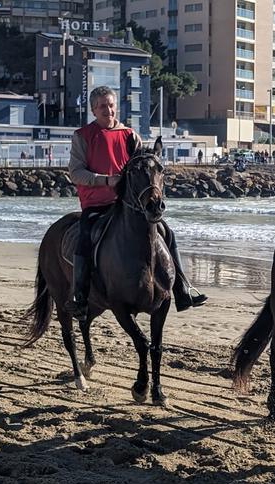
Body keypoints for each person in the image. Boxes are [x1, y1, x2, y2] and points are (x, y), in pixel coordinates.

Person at [65, 85, 207, 320]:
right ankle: (80, 297)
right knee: (85, 239)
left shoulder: (131, 136)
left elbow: (142, 167)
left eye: (110, 105)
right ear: (93, 110)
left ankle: (182, 288)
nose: (107, 110)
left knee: (166, 232)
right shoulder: (82, 136)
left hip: (130, 204)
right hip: (97, 204)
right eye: (102, 106)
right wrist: (106, 180)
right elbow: (76, 173)